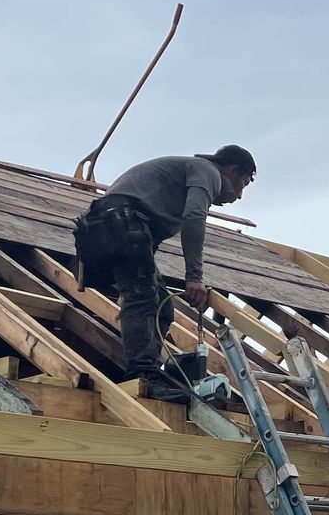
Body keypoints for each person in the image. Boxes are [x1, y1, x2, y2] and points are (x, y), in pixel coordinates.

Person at [72, 146, 256, 402]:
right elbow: (194, 217)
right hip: (120, 221)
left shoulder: (181, 176)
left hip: (102, 226)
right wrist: (194, 277)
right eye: (243, 184)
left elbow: (145, 242)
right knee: (143, 296)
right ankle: (142, 374)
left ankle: (149, 371)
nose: (239, 195)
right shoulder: (208, 172)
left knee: (162, 306)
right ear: (233, 170)